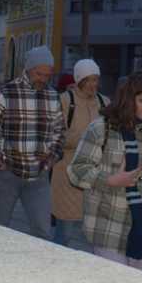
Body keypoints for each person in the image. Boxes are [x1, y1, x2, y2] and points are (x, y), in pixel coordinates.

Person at [68, 70, 142, 269]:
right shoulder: (101, 128)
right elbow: (76, 170)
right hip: (108, 227)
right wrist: (110, 180)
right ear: (129, 99)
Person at [0, 45, 66, 239]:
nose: (43, 79)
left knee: (43, 231)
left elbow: (59, 133)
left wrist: (51, 158)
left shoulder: (52, 96)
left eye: (47, 75)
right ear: (28, 69)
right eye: (39, 74)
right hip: (8, 174)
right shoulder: (5, 93)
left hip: (39, 176)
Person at [52, 59, 108, 246]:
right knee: (65, 232)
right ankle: (56, 260)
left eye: (96, 79)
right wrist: (86, 140)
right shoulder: (65, 100)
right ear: (79, 80)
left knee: (96, 234)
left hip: (96, 174)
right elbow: (55, 135)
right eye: (88, 80)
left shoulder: (105, 102)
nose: (93, 84)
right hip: (68, 173)